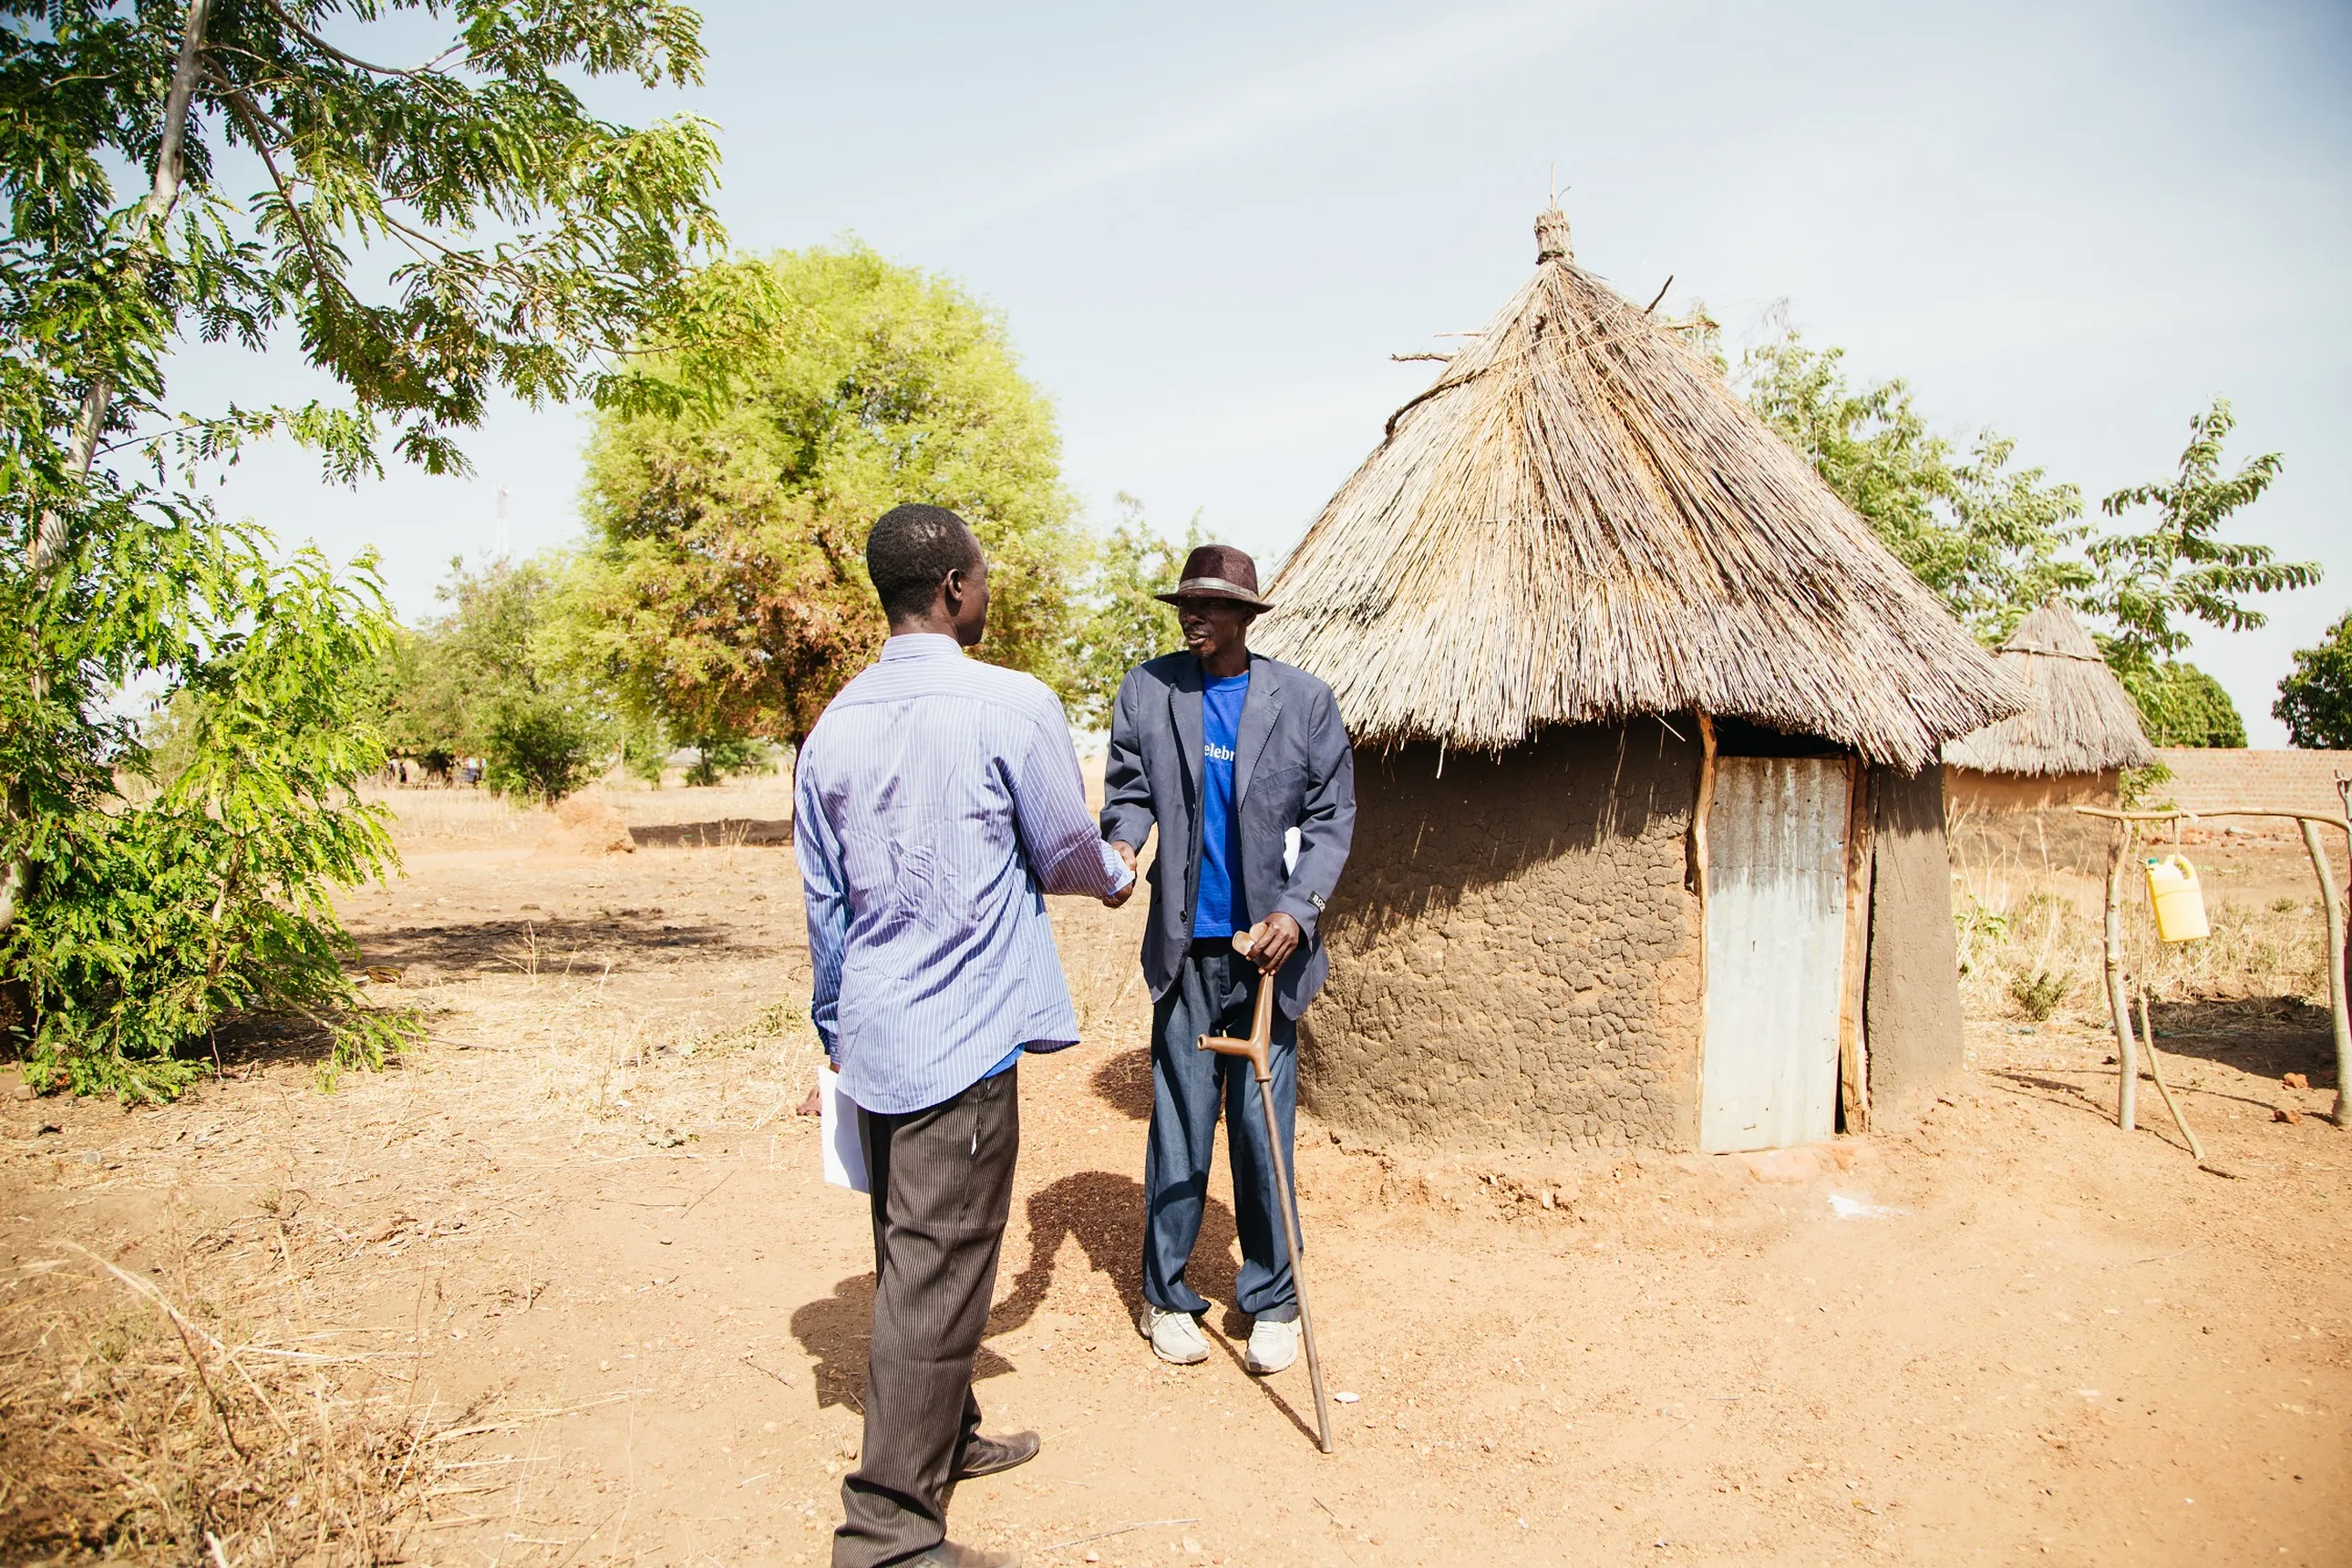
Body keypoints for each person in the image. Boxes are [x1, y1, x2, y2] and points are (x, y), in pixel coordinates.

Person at [797, 504, 1134, 1568]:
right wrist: (1121, 871)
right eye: (981, 575)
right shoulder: (1010, 703)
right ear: (952, 588)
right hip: (961, 1041)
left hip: (882, 1039)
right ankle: (887, 1534)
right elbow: (1069, 847)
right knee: (938, 1271)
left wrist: (836, 1031)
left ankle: (951, 1436)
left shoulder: (833, 725)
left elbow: (825, 906)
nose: (987, 590)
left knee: (911, 1253)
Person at [1099, 543, 1355, 1375]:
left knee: (1260, 1127)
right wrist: (1122, 846)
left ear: (1246, 616)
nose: (1192, 617)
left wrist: (1297, 909)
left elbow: (1330, 819)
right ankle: (1166, 1296)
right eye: (1185, 604)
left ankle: (1272, 1298)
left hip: (1265, 957)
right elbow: (1130, 790)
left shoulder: (1304, 701)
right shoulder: (1150, 688)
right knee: (1178, 1128)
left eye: (1210, 605)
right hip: (1185, 948)